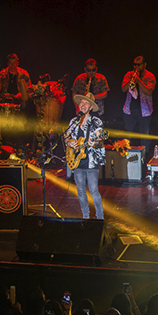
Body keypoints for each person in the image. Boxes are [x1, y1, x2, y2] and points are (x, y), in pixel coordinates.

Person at [64, 92, 106, 220]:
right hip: (77, 161)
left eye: (86, 103)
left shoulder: (96, 121)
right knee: (81, 191)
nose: (83, 104)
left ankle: (100, 218)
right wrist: (69, 142)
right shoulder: (74, 121)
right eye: (81, 102)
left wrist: (95, 142)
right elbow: (66, 136)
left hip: (91, 161)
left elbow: (100, 138)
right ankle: (85, 216)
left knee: (93, 191)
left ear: (91, 107)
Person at [121, 56, 156, 150]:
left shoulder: (150, 76)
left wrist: (139, 81)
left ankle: (144, 155)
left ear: (144, 65)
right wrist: (131, 80)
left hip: (144, 111)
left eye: (139, 65)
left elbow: (149, 91)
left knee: (144, 135)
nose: (136, 67)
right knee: (127, 135)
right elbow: (123, 89)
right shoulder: (129, 74)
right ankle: (125, 153)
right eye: (135, 65)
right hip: (129, 110)